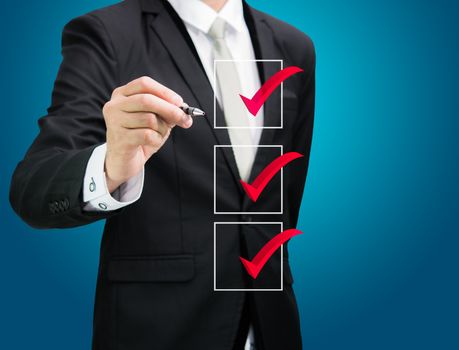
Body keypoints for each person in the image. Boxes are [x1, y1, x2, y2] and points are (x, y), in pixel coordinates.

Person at [9, 0, 315, 349]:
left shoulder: (295, 46)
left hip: (271, 322)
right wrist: (111, 165)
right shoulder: (106, 34)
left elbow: (285, 193)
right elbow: (33, 188)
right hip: (159, 325)